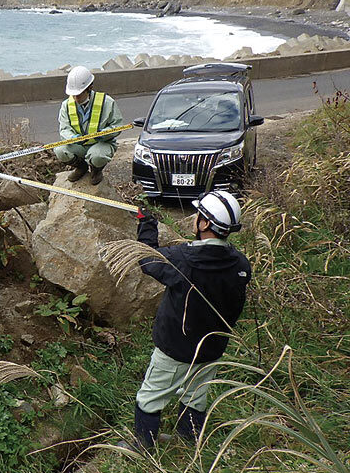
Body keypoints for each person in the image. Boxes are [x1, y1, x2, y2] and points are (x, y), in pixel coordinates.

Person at [128, 191, 251, 450]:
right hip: (212, 348)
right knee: (196, 395)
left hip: (175, 347)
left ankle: (143, 447)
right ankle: (187, 441)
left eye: (199, 215)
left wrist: (146, 224)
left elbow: (148, 259)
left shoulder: (182, 260)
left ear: (205, 224)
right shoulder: (240, 264)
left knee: (150, 396)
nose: (195, 217)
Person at [53, 66, 123, 185]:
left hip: (101, 144)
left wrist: (104, 134)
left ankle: (96, 170)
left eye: (78, 94)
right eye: (73, 95)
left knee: (98, 156)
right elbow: (64, 129)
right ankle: (81, 167)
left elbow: (117, 125)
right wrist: (72, 138)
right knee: (60, 150)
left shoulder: (107, 102)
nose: (75, 98)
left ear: (89, 88)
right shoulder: (66, 105)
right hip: (79, 146)